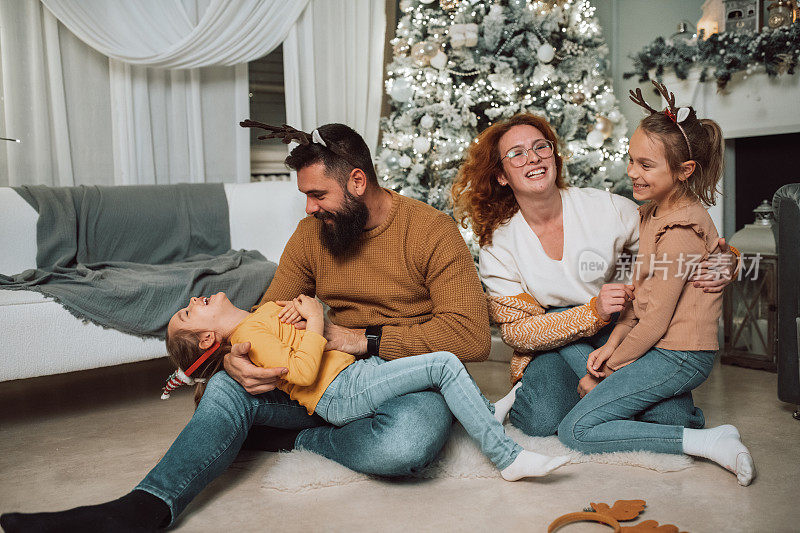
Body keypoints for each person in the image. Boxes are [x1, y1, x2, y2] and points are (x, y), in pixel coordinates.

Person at [1, 122, 491, 532]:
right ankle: (145, 507)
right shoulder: (311, 234)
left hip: (396, 373)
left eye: (318, 195)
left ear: (358, 182)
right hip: (310, 374)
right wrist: (236, 360)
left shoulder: (431, 232)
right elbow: (270, 308)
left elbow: (469, 334)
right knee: (223, 388)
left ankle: (292, 439)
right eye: (304, 197)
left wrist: (360, 339)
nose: (309, 209)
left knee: (407, 443)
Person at [451, 111, 737, 440]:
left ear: (554, 156)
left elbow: (677, 237)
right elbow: (518, 334)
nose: (533, 158)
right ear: (501, 175)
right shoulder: (497, 244)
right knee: (540, 419)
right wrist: (592, 312)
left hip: (622, 330)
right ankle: (572, 393)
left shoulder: (606, 209)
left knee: (674, 420)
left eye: (540, 147)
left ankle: (596, 395)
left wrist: (727, 261)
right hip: (553, 339)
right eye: (516, 153)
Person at [552, 82, 754, 485]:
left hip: (680, 354)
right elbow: (640, 300)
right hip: (658, 347)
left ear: (684, 171)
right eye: (631, 160)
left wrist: (608, 370)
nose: (631, 173)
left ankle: (707, 442)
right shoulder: (651, 215)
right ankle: (679, 420)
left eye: (645, 165)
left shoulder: (680, 227)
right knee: (582, 360)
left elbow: (657, 321)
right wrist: (610, 345)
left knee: (575, 430)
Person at [163, 292, 569, 481]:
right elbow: (302, 374)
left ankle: (482, 413)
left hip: (355, 372)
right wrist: (317, 318)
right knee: (444, 365)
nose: (195, 299)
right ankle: (506, 458)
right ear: (206, 340)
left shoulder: (259, 314)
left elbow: (295, 328)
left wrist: (299, 310)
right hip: (340, 392)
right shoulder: (250, 334)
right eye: (189, 312)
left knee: (438, 368)